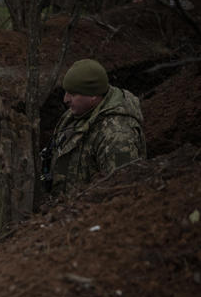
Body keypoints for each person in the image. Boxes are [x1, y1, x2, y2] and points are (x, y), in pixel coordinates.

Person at [43, 59, 146, 195]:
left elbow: (122, 192)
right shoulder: (77, 113)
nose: (65, 99)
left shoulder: (117, 136)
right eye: (66, 92)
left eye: (73, 94)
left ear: (93, 95)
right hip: (63, 209)